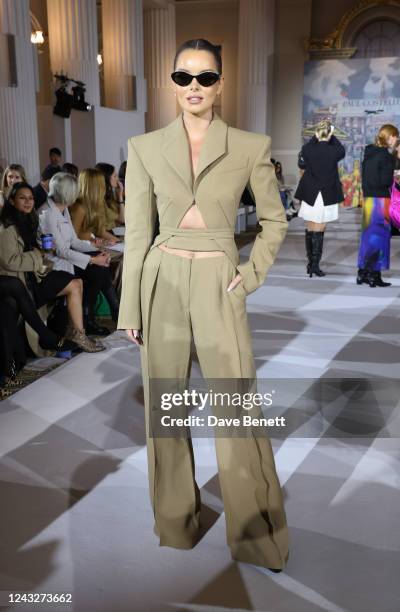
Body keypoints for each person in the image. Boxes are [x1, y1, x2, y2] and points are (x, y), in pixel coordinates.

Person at [117, 38, 289, 571]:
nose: (194, 86)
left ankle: (256, 536)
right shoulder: (143, 147)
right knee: (166, 413)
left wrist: (246, 276)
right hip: (160, 278)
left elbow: (275, 221)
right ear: (171, 82)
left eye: (205, 77)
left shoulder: (249, 145)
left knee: (236, 409)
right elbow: (137, 232)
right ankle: (176, 523)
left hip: (219, 277)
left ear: (220, 83)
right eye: (184, 76)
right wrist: (130, 310)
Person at [0, 182, 104, 353]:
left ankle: (78, 334)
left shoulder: (29, 219)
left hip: (35, 274)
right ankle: (76, 335)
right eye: (22, 198)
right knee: (77, 280)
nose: (28, 202)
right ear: (12, 201)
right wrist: (39, 253)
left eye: (31, 198)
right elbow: (10, 261)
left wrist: (43, 250)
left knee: (77, 282)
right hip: (23, 282)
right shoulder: (8, 227)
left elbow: (60, 245)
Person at [40, 172, 119, 333]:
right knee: (97, 269)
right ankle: (94, 317)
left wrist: (97, 250)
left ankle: (95, 315)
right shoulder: (48, 214)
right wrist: (93, 260)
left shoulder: (62, 209)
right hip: (54, 265)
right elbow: (61, 251)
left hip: (66, 258)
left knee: (100, 266)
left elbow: (74, 241)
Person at [295, 119, 345, 277]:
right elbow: (340, 149)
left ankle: (311, 264)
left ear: (316, 133)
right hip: (325, 193)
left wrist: (317, 136)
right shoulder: (335, 151)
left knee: (310, 227)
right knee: (320, 228)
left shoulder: (308, 149)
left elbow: (303, 161)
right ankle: (315, 265)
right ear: (330, 133)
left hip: (310, 193)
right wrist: (330, 134)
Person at [357, 124, 399, 287]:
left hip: (368, 200)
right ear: (389, 137)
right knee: (380, 238)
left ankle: (363, 273)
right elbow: (385, 181)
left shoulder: (369, 153)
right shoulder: (386, 157)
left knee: (368, 238)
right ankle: (375, 275)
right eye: (396, 136)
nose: (397, 139)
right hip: (381, 201)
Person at [95, 162, 125, 229]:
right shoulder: (100, 199)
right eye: (114, 176)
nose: (117, 179)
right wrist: (120, 196)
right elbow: (122, 219)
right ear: (106, 178)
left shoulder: (110, 196)